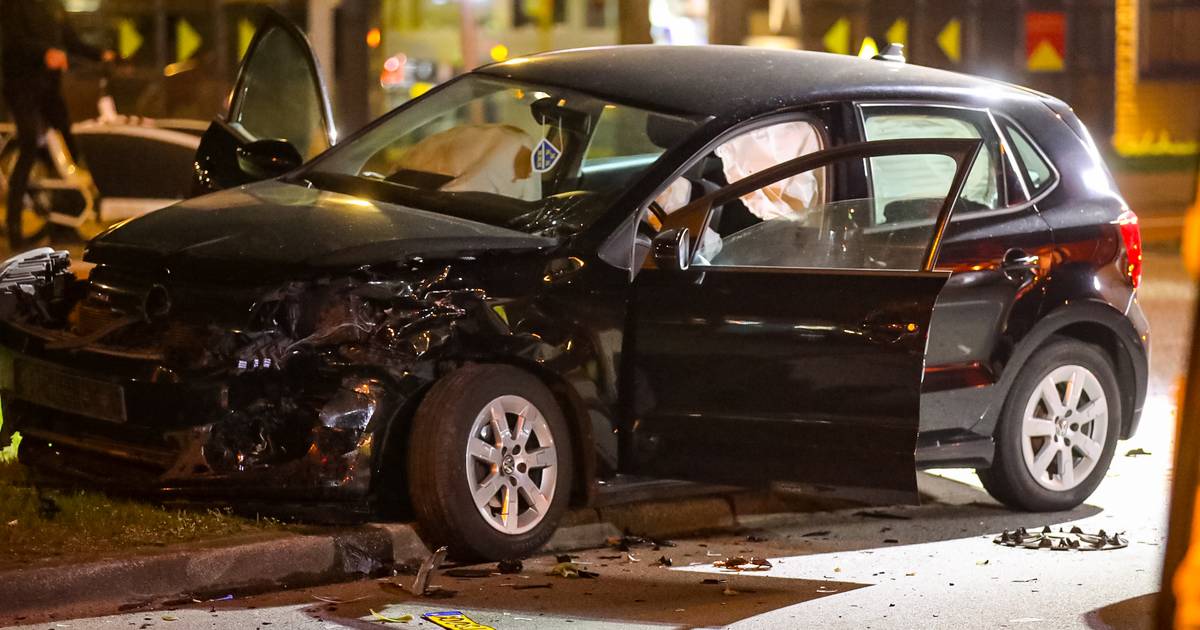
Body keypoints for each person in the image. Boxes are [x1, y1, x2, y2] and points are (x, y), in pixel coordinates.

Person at [1, 0, 114, 249]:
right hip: (22, 86)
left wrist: (100, 54)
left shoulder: (52, 6)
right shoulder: (13, 5)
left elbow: (69, 39)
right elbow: (13, 42)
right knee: (28, 145)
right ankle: (14, 228)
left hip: (49, 88)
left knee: (69, 145)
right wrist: (44, 53)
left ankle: (63, 222)